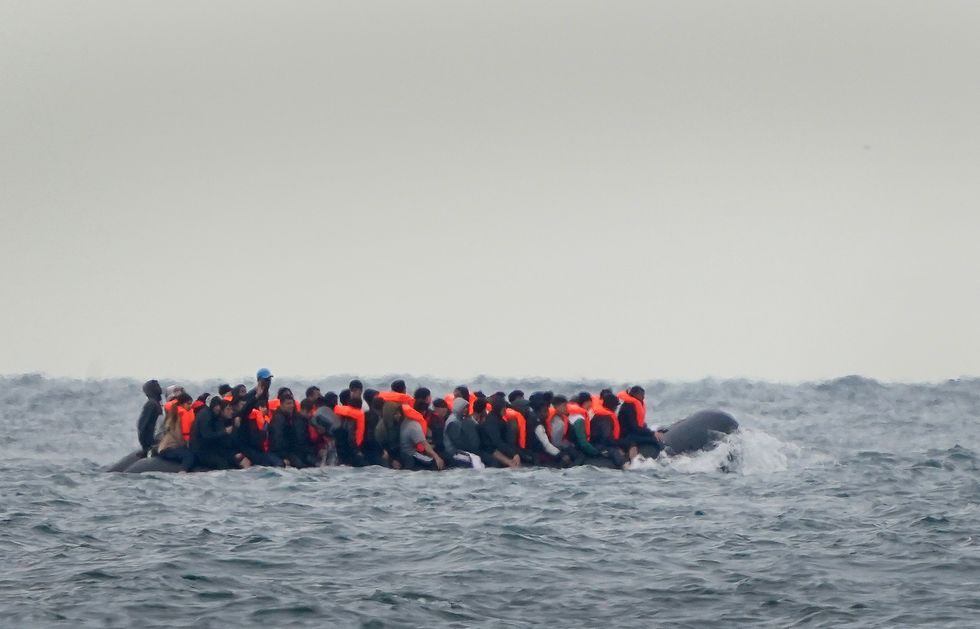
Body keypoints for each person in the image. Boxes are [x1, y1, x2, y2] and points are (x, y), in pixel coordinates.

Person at [190, 397, 249, 470]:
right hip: (200, 450)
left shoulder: (214, 415)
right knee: (222, 462)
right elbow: (206, 436)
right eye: (216, 405)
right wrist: (224, 432)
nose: (218, 408)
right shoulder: (206, 416)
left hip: (211, 448)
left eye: (219, 405)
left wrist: (238, 417)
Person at [270, 389, 317, 467]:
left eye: (292, 403)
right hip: (282, 453)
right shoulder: (278, 419)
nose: (291, 406)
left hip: (294, 451)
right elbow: (277, 440)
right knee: (301, 465)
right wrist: (284, 457)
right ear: (281, 405)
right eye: (288, 404)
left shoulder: (292, 416)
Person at [617, 386, 663, 457]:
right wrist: (652, 433)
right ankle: (663, 457)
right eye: (642, 395)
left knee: (653, 436)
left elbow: (641, 424)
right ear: (635, 395)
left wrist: (650, 432)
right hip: (627, 436)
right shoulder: (628, 407)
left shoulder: (633, 405)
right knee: (654, 440)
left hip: (633, 433)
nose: (643, 397)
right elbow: (635, 427)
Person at [399, 402, 444, 470]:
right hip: (411, 454)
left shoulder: (405, 422)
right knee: (434, 464)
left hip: (403, 453)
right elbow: (425, 445)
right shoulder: (414, 425)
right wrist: (437, 458)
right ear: (423, 412)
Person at [478, 397, 521, 468]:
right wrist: (514, 454)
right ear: (501, 409)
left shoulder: (498, 419)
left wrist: (514, 452)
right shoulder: (492, 422)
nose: (505, 410)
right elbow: (497, 442)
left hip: (498, 447)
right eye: (504, 408)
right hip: (489, 449)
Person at [157, 392, 196, 471]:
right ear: (181, 404)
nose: (190, 406)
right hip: (168, 449)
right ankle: (182, 472)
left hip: (172, 446)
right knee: (189, 456)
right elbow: (178, 436)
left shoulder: (178, 414)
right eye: (188, 404)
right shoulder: (177, 416)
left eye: (191, 403)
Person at [443, 397, 484, 468]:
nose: (466, 409)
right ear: (458, 407)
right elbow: (457, 442)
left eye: (467, 408)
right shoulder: (453, 422)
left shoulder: (458, 419)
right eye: (464, 408)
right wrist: (470, 449)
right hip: (453, 452)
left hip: (458, 450)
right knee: (475, 460)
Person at [136, 379, 163, 455]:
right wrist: (146, 447)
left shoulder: (156, 404)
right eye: (156, 386)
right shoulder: (152, 404)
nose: (159, 388)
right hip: (152, 443)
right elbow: (142, 427)